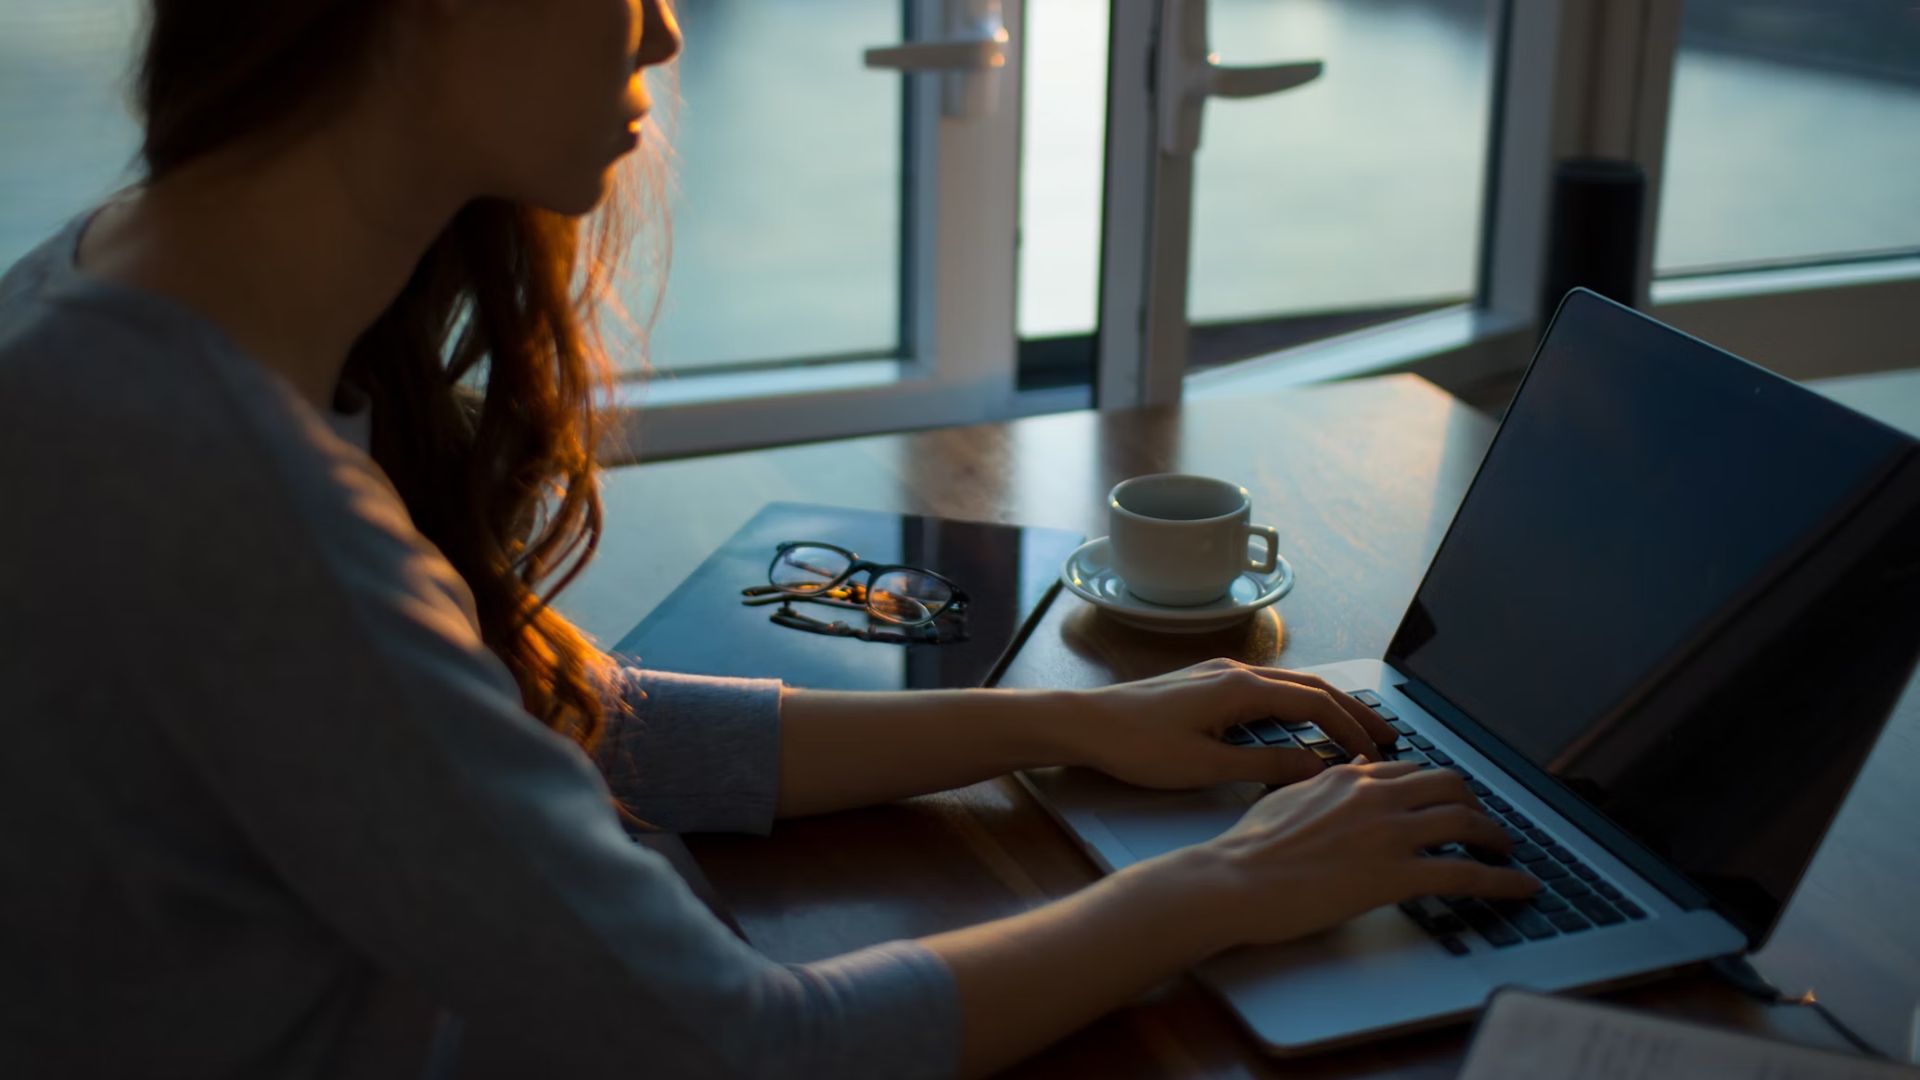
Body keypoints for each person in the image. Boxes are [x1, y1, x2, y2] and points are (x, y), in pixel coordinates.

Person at [0, 1, 1537, 1076]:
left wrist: (1076, 721)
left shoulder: (107, 298)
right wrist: (1219, 890)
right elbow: (746, 1048)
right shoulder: (237, 499)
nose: (664, 31)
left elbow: (545, 725)